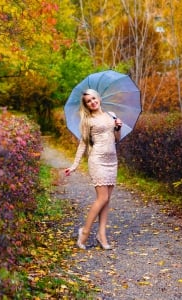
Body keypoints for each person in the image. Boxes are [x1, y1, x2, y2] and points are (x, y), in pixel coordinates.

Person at [65, 88, 123, 250]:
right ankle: (84, 231)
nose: (92, 102)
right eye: (88, 101)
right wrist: (74, 165)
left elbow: (117, 140)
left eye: (93, 98)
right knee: (102, 198)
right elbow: (83, 143)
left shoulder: (111, 115)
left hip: (112, 160)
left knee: (107, 200)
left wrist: (118, 128)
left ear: (99, 98)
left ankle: (101, 234)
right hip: (97, 159)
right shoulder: (87, 121)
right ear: (87, 105)